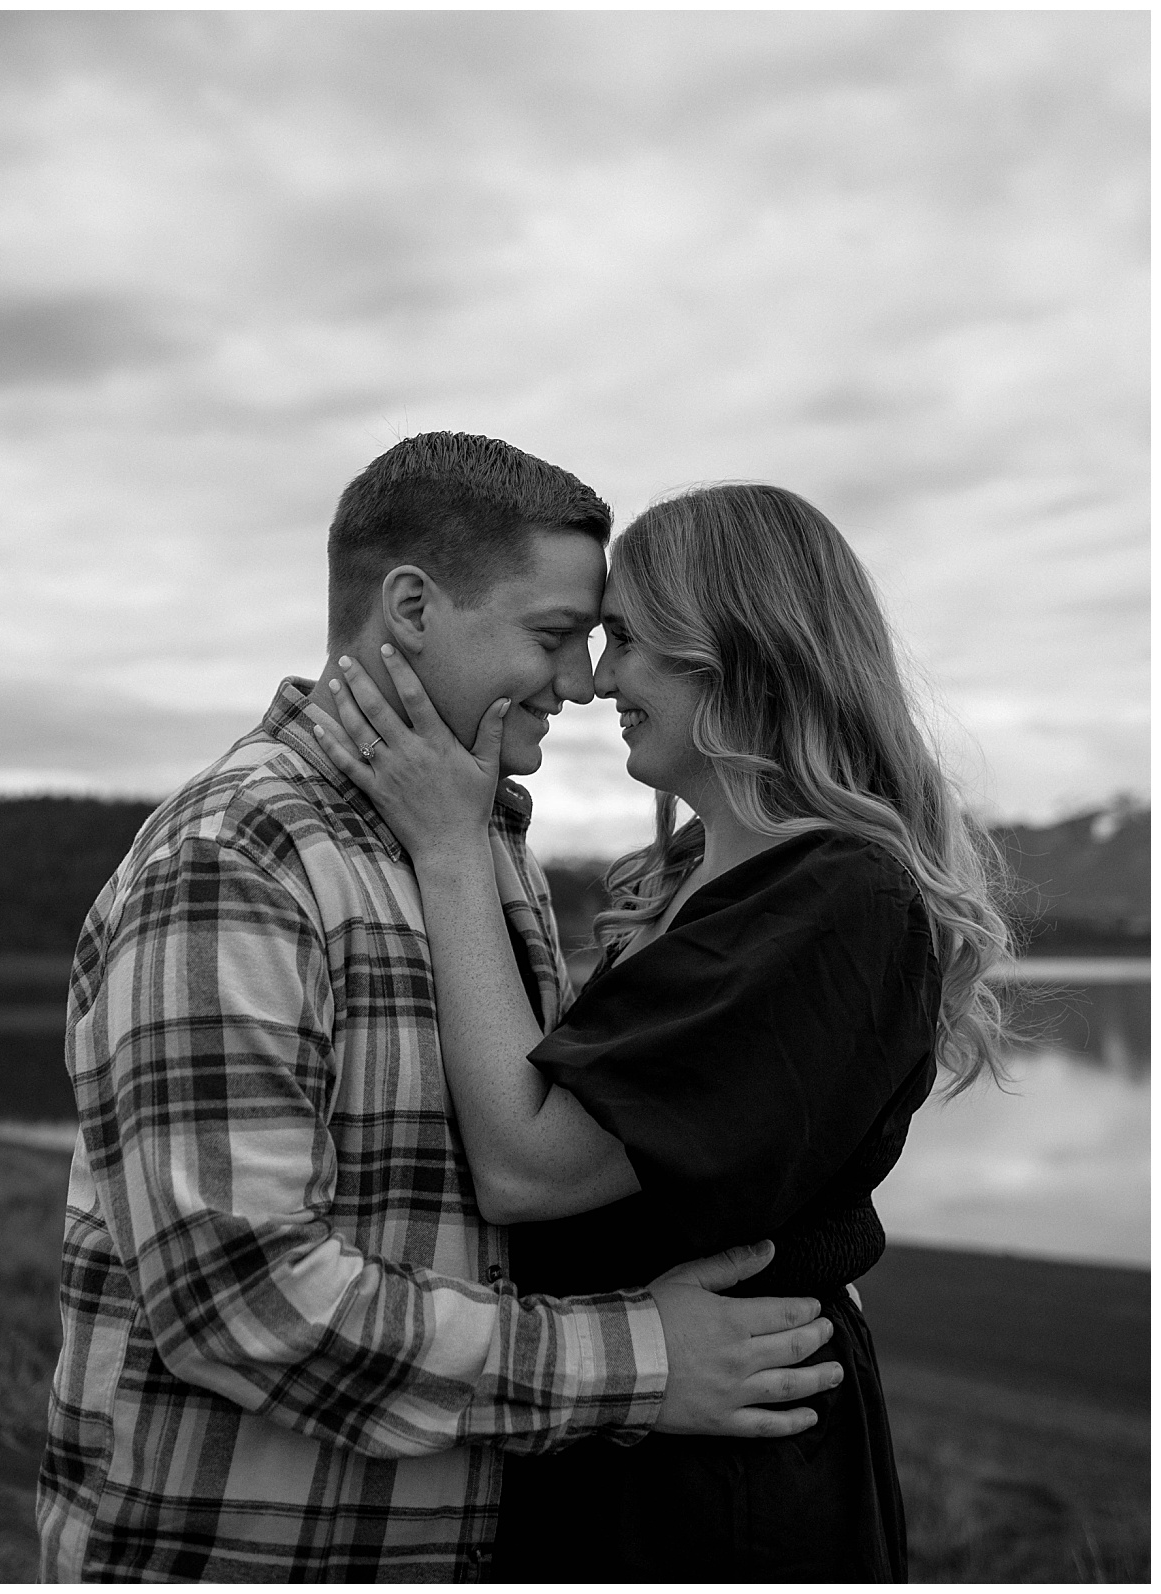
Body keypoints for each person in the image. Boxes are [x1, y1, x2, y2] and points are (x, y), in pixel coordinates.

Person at [37, 437, 845, 1584]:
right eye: (553, 635)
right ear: (411, 606)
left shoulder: (471, 839)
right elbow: (242, 1299)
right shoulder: (237, 855)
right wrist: (641, 1360)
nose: (580, 683)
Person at [310, 480, 1014, 1582]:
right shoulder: (690, 877)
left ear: (736, 650)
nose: (594, 681)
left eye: (627, 639)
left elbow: (532, 1168)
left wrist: (448, 843)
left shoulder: (838, 898)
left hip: (717, 1479)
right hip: (624, 1422)